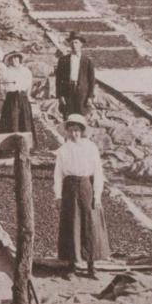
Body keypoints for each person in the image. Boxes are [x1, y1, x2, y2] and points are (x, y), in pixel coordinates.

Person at [54, 113, 111, 280]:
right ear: (67, 132)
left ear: (82, 131)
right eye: (71, 130)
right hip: (69, 188)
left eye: (77, 130)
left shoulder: (90, 148)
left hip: (86, 186)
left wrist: (97, 195)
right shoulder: (63, 150)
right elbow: (58, 174)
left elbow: (98, 172)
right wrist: (58, 195)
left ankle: (91, 266)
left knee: (90, 223)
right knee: (71, 224)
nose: (74, 134)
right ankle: (71, 266)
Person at [0, 51, 36, 147]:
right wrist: (5, 97)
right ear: (10, 60)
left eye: (16, 58)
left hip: (22, 97)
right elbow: (2, 86)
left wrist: (27, 96)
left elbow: (29, 85)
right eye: (12, 58)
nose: (15, 60)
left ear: (20, 59)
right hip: (11, 98)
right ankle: (10, 146)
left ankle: (26, 145)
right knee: (12, 120)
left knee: (25, 121)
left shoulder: (26, 71)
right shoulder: (6, 72)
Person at [54, 31, 96, 119]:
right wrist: (60, 95)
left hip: (82, 93)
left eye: (76, 42)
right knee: (67, 116)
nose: (74, 45)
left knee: (81, 116)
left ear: (81, 44)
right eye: (72, 43)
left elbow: (92, 81)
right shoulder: (63, 60)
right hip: (67, 91)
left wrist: (90, 97)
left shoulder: (87, 61)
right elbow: (58, 79)